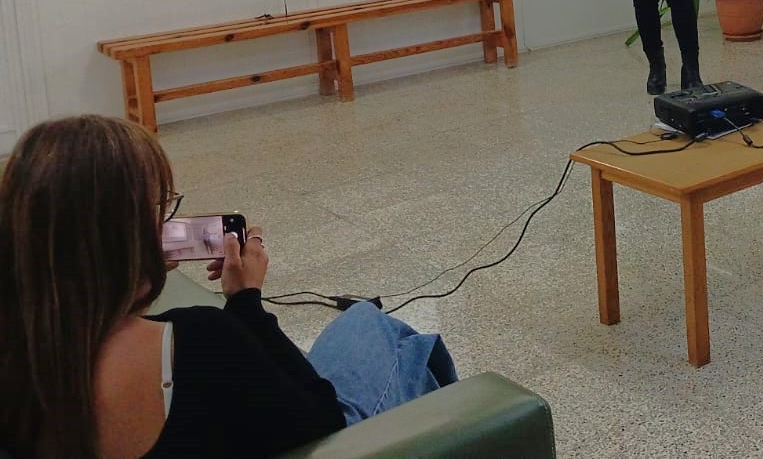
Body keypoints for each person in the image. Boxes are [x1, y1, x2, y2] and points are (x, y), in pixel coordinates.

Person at [0, 116, 458, 458]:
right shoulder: (195, 339)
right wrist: (246, 302)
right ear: (127, 236)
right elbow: (321, 423)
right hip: (323, 439)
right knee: (376, 329)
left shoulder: (21, 354)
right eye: (157, 210)